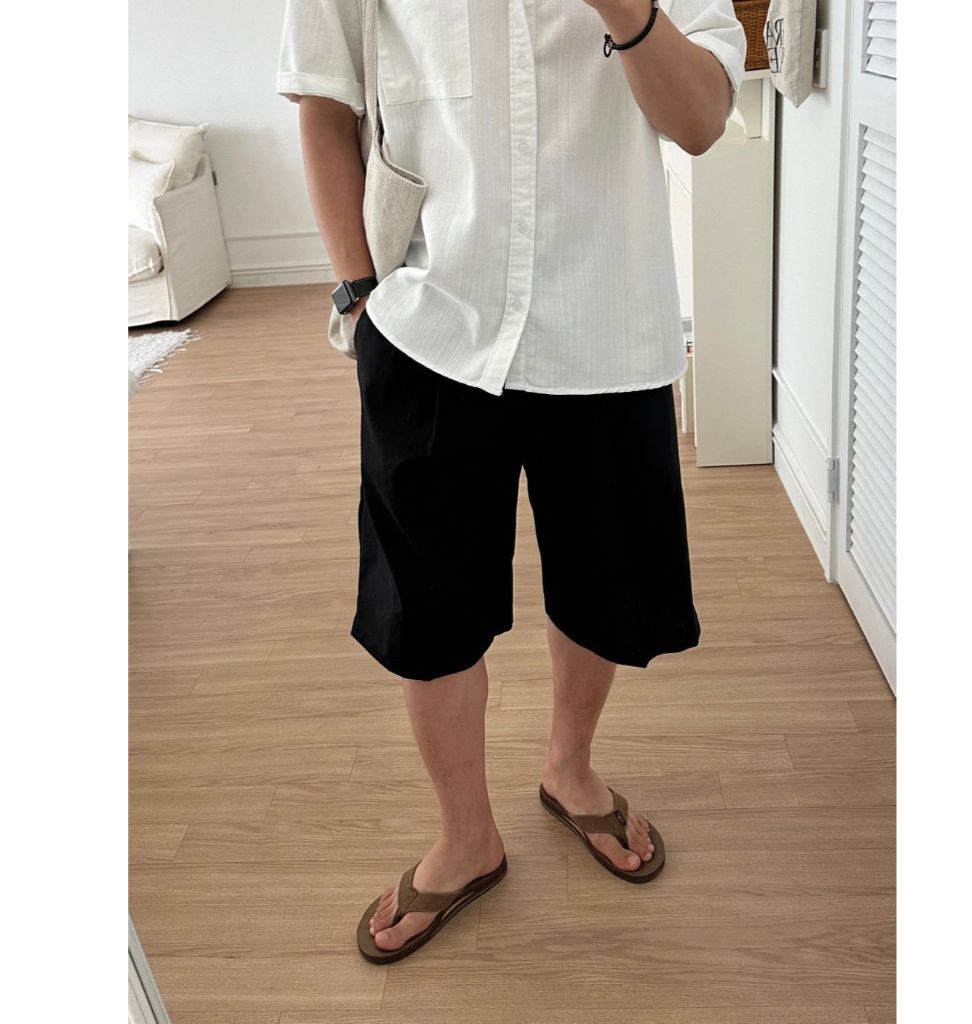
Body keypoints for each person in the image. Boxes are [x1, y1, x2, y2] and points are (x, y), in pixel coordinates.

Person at [277, 0, 746, 964]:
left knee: (603, 587)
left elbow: (701, 120)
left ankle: (570, 769)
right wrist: (359, 298)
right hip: (431, 322)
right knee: (426, 611)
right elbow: (326, 99)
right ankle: (465, 837)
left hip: (609, 319)